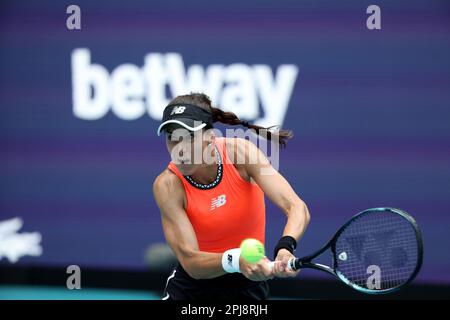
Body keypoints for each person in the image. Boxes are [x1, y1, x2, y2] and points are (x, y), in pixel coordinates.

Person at [153, 93, 310, 300]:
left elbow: (297, 207)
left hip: (248, 286)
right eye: (172, 139)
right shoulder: (167, 185)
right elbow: (191, 262)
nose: (179, 150)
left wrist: (285, 247)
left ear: (210, 136)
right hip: (192, 289)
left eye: (189, 137)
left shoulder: (241, 154)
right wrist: (237, 259)